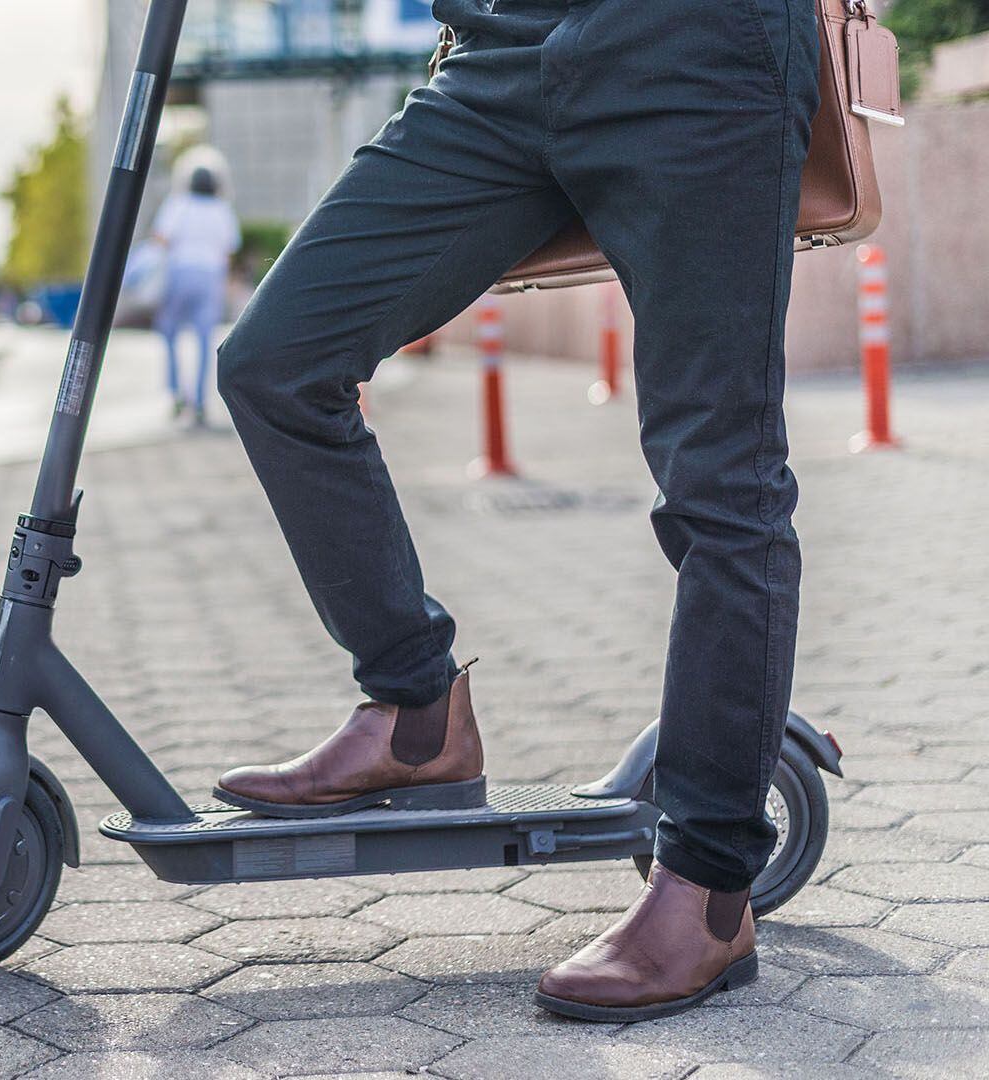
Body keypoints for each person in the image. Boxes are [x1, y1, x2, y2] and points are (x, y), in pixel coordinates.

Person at [210, 0, 817, 1021]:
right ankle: (415, 711)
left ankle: (710, 890)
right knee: (275, 362)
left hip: (696, 48)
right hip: (502, 51)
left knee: (721, 478)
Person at [151, 166, 239, 424]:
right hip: (210, 276)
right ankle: (200, 402)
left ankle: (177, 392)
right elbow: (230, 247)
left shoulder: (179, 204)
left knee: (168, 329)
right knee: (204, 339)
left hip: (180, 271)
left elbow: (161, 238)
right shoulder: (222, 210)